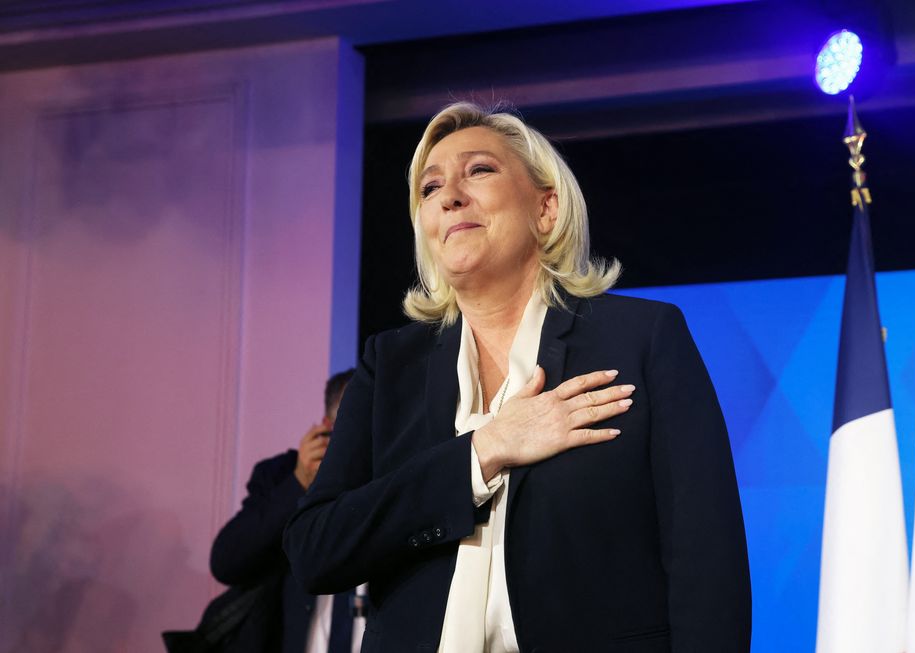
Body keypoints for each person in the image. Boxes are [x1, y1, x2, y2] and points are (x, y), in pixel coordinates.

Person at [283, 102, 750, 652]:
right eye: (430, 188)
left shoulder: (643, 338)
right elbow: (315, 550)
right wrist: (483, 451)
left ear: (546, 208)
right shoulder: (389, 366)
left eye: (479, 170)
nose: (450, 195)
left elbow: (705, 557)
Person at [210, 369, 360, 653]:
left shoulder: (402, 479)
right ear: (327, 428)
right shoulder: (280, 475)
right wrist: (299, 483)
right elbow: (226, 562)